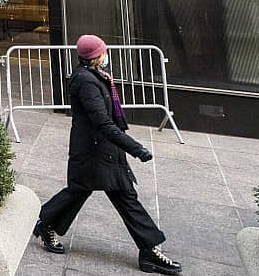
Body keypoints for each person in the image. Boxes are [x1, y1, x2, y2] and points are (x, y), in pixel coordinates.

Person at [33, 34, 182, 274]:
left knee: (96, 192)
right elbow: (102, 122)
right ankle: (149, 251)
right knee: (107, 194)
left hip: (102, 150)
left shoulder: (95, 76)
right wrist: (134, 148)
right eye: (103, 51)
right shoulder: (86, 82)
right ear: (95, 56)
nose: (106, 55)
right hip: (94, 152)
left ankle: (47, 222)